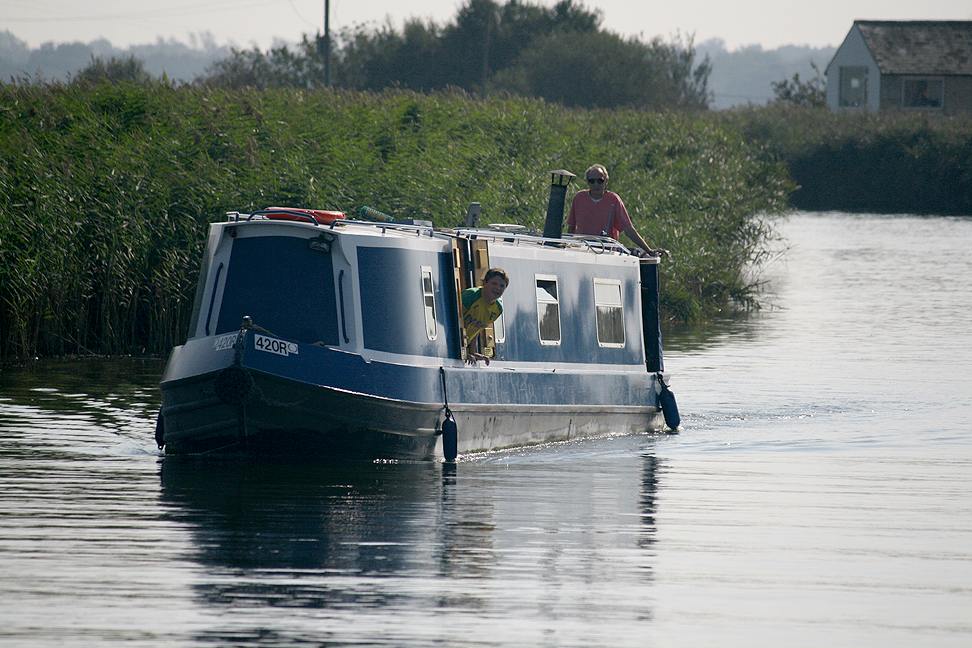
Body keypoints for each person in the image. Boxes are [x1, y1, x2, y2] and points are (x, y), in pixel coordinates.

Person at [567, 164, 670, 258]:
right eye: (592, 181)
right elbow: (571, 227)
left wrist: (648, 250)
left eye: (600, 181)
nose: (596, 184)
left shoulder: (613, 200)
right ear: (587, 182)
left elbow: (628, 229)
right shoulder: (579, 198)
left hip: (607, 252)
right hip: (583, 251)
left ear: (606, 181)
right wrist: (570, 248)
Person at [461, 267, 509, 365]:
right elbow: (453, 322)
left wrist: (472, 352)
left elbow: (476, 328)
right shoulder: (470, 296)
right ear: (485, 283)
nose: (497, 288)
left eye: (502, 286)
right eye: (494, 284)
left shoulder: (498, 309)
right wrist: (462, 351)